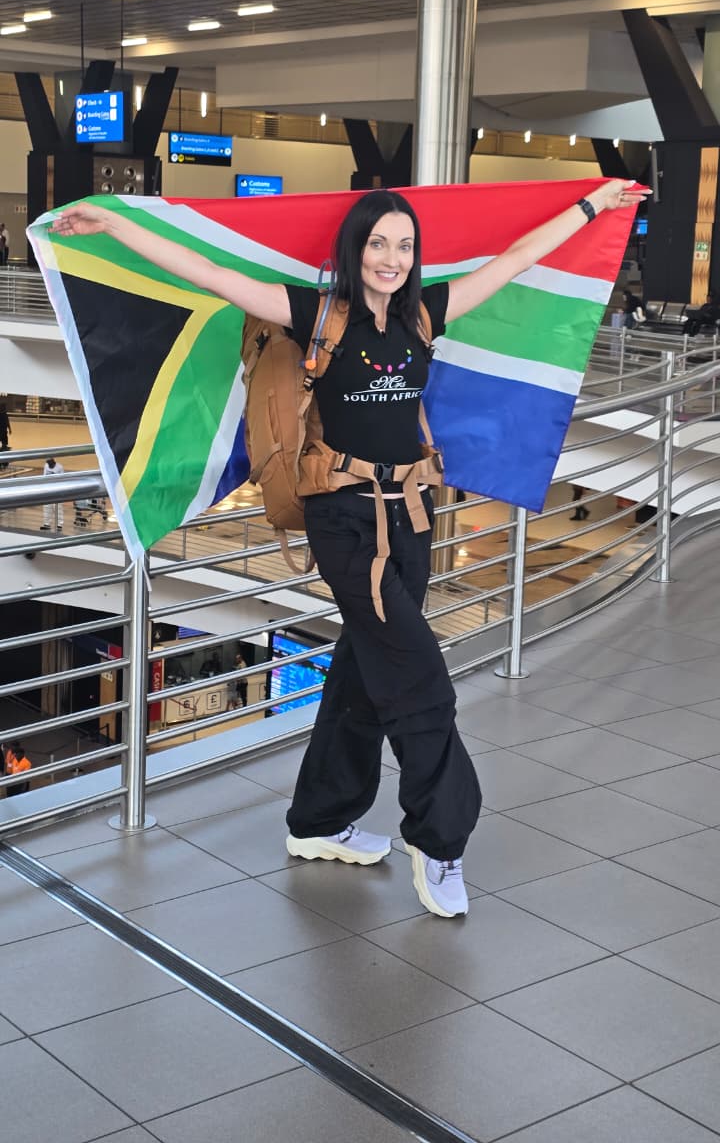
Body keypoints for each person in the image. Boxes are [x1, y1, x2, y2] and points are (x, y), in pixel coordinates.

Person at [52, 176, 646, 918]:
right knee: (422, 681)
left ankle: (318, 820)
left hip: (412, 517)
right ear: (355, 249)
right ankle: (440, 839)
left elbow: (517, 260)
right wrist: (115, 225)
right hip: (345, 522)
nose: (391, 258)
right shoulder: (320, 315)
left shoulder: (426, 313)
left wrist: (597, 207)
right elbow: (210, 273)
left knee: (366, 673)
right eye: (377, 244)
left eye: (403, 245)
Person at [41, 456, 65, 531]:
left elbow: (62, 479)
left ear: (53, 461)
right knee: (47, 507)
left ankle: (59, 524)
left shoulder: (59, 467)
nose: (49, 464)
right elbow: (44, 477)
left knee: (58, 508)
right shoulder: (46, 466)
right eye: (47, 463)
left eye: (50, 463)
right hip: (48, 490)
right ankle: (46, 524)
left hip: (57, 490)